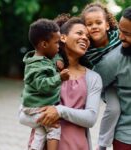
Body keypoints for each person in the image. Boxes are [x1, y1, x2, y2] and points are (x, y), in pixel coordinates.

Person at [28, 16, 102, 150]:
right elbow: (28, 105)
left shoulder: (93, 77)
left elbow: (90, 118)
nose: (85, 38)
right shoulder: (46, 69)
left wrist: (59, 110)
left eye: (87, 36)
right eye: (79, 33)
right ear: (63, 37)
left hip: (77, 146)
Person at [19, 18, 70, 150]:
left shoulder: (46, 57)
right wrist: (59, 77)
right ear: (44, 44)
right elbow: (42, 85)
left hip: (36, 104)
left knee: (40, 131)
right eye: (57, 43)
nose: (59, 47)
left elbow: (54, 57)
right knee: (54, 127)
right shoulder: (35, 66)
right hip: (35, 105)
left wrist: (58, 60)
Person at [80, 3, 122, 150]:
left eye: (99, 22)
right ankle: (103, 144)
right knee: (114, 108)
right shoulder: (86, 49)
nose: (94, 26)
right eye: (89, 24)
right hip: (110, 85)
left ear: (108, 25)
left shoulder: (118, 36)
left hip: (125, 76)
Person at [94, 6, 131, 150]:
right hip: (126, 140)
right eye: (120, 31)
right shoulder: (111, 62)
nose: (121, 37)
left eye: (127, 33)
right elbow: (92, 87)